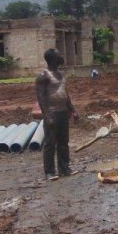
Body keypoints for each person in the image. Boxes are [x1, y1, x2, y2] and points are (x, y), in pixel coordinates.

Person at [36, 48, 79, 180]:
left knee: (63, 142)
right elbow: (41, 97)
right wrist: (47, 115)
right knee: (50, 143)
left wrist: (72, 110)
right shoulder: (43, 76)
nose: (61, 57)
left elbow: (65, 94)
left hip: (63, 113)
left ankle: (64, 169)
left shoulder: (60, 74)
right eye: (58, 55)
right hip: (52, 113)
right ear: (52, 58)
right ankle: (49, 172)